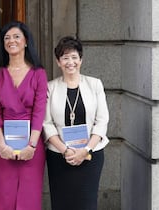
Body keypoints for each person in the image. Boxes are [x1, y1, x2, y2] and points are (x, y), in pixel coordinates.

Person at [43, 36, 109, 210]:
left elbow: (102, 121)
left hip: (90, 154)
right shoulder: (50, 87)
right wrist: (66, 150)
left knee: (87, 203)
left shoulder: (94, 84)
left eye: (74, 57)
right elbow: (47, 124)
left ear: (81, 60)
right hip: (59, 154)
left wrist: (85, 150)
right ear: (58, 62)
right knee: (61, 203)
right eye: (65, 58)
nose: (70, 62)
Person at [0, 21, 48, 210]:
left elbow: (39, 111)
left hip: (32, 143)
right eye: (6, 38)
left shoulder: (39, 73)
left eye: (16, 37)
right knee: (3, 195)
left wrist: (31, 145)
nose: (11, 41)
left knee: (29, 196)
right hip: (3, 143)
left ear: (26, 41)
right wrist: (1, 145)